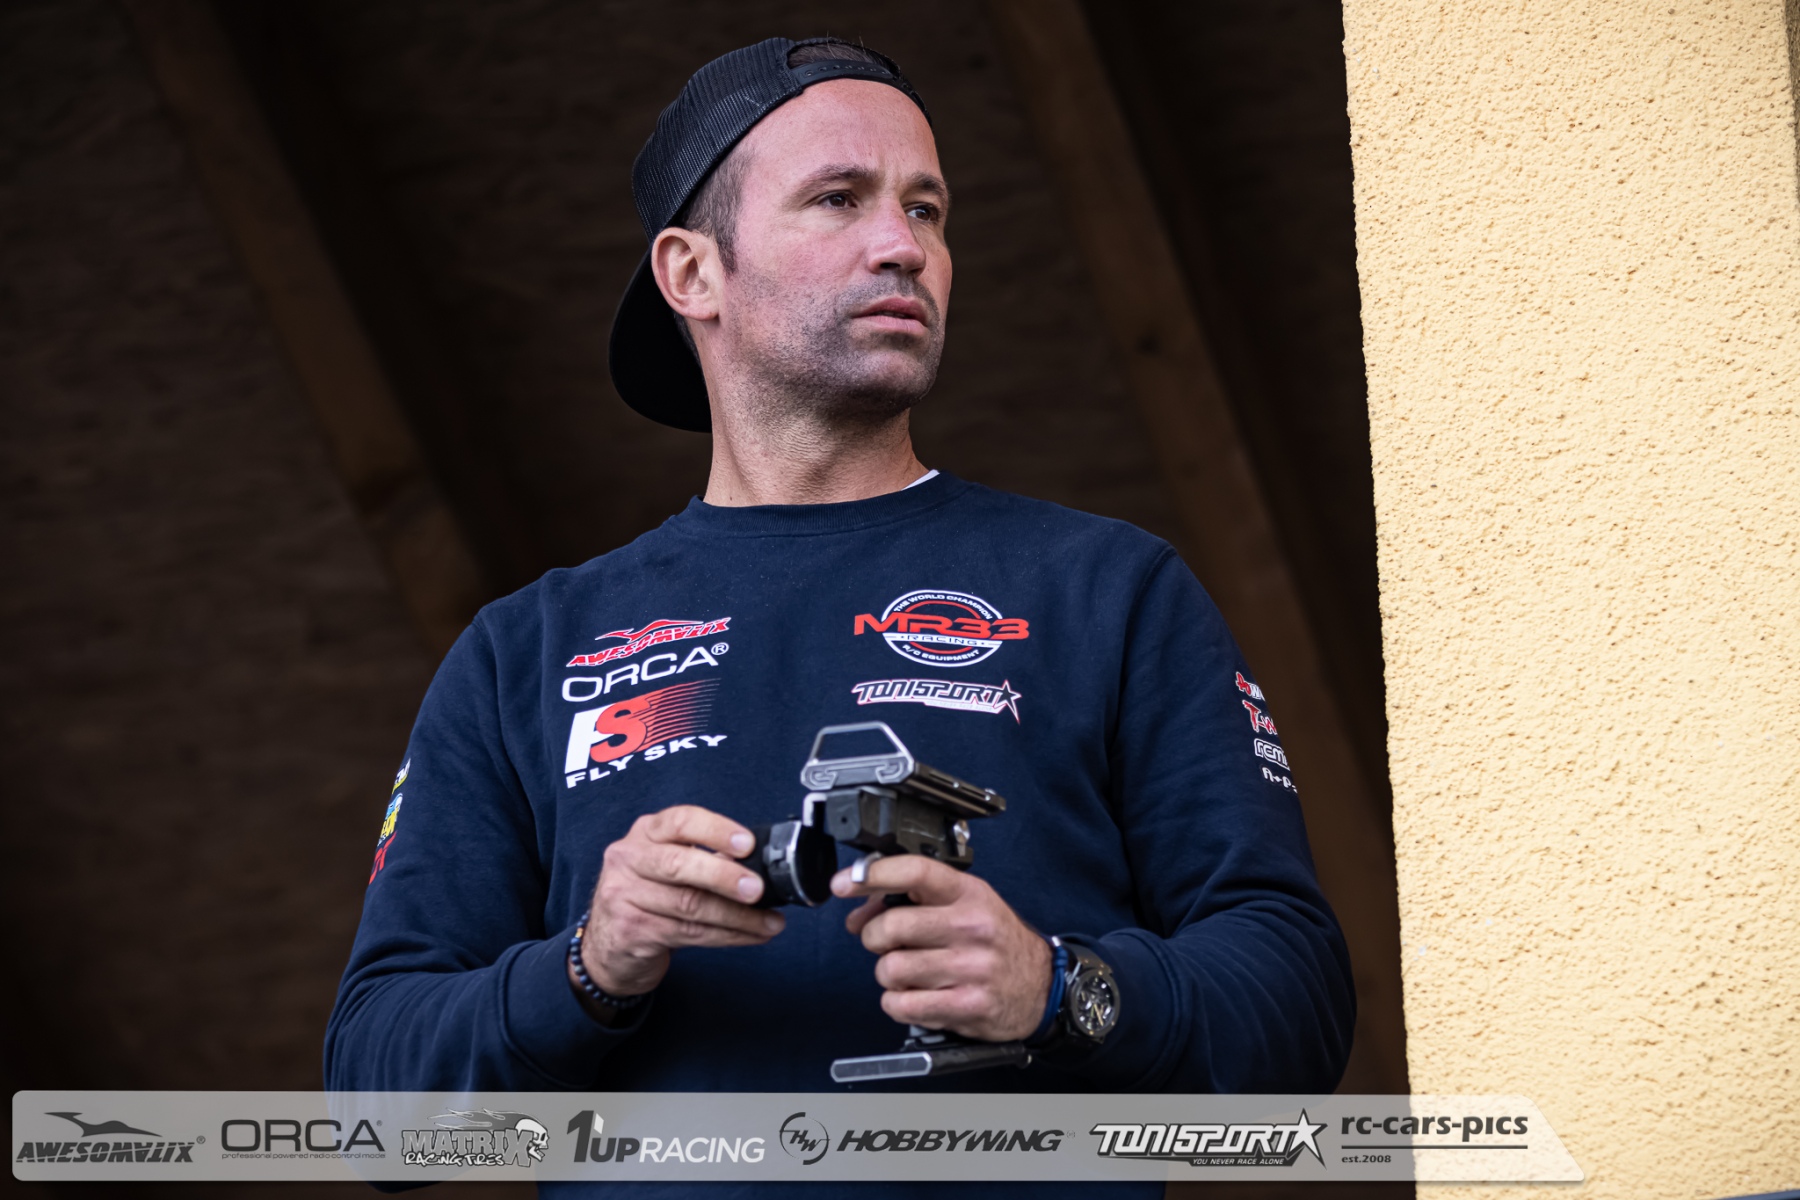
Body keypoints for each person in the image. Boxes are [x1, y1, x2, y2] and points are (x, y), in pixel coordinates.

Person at [325, 35, 1354, 1197]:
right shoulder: (527, 652)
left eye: (927, 209)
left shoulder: (1106, 589)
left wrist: (1058, 989)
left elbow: (1297, 1006)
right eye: (838, 199)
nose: (902, 245)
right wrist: (589, 964)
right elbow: (374, 1107)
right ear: (691, 274)